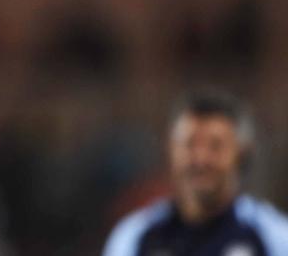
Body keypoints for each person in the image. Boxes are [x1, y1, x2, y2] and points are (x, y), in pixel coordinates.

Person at [103, 89, 288, 256]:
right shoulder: (135, 237)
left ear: (242, 152)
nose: (201, 160)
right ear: (170, 150)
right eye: (189, 145)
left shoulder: (272, 236)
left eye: (215, 146)